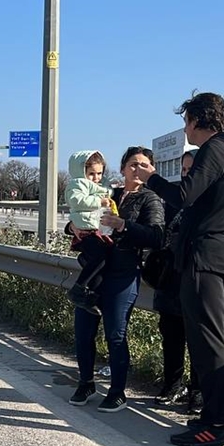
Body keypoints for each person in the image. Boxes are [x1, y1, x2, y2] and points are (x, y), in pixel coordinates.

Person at [141, 91, 224, 446]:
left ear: (197, 120)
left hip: (205, 260)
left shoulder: (214, 149)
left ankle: (214, 424)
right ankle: (221, 416)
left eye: (186, 122)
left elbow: (184, 194)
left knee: (208, 342)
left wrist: (151, 179)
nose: (185, 129)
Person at [68, 146, 165, 413]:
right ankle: (86, 382)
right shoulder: (106, 192)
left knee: (116, 334)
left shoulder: (150, 199)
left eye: (144, 165)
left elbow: (156, 236)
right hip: (95, 272)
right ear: (122, 168)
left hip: (123, 274)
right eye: (132, 164)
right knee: (83, 331)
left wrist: (124, 225)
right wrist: (70, 227)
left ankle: (117, 391)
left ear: (151, 170)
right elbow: (79, 214)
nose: (137, 170)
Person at [154, 150, 201, 410]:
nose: (185, 175)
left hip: (196, 276)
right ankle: (173, 384)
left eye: (190, 170)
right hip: (171, 276)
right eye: (183, 170)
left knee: (197, 336)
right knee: (171, 334)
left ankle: (198, 390)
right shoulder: (174, 200)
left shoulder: (208, 201)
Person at [65, 151, 116, 315]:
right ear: (82, 172)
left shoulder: (103, 185)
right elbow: (76, 200)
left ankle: (90, 295)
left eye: (99, 173)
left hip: (96, 228)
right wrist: (99, 201)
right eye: (91, 174)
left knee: (102, 259)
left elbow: (111, 192)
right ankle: (78, 289)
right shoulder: (77, 184)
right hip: (86, 229)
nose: (96, 178)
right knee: (100, 257)